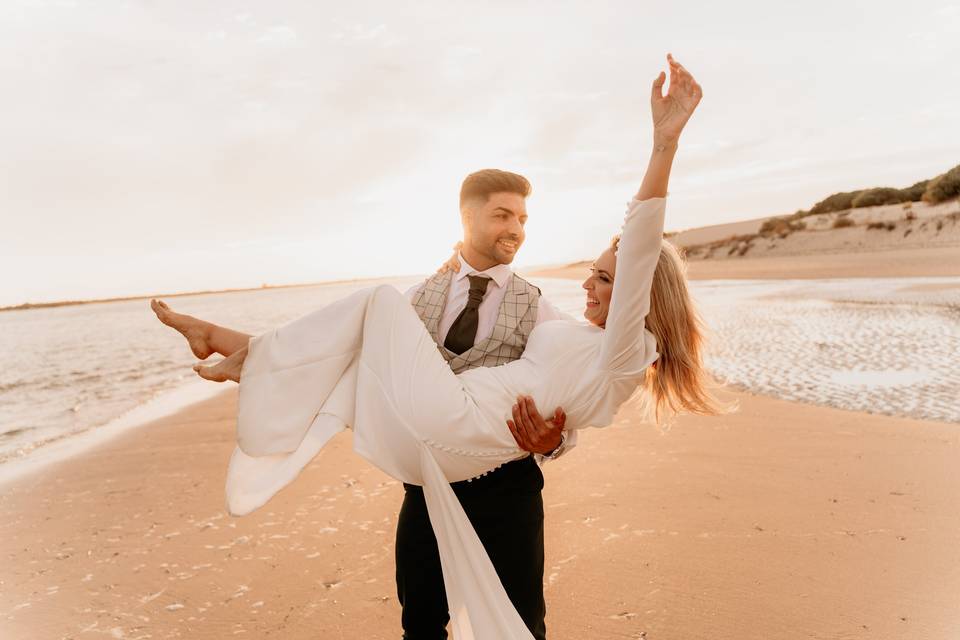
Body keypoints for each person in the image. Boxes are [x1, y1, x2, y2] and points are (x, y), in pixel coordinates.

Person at [152, 54, 720, 639]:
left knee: (522, 622)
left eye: (523, 217)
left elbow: (579, 391)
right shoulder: (423, 298)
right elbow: (352, 356)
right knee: (420, 622)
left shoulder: (553, 314)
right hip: (430, 469)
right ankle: (240, 349)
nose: (517, 229)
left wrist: (555, 441)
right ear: (466, 217)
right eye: (503, 215)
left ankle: (240, 351)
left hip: (502, 481)